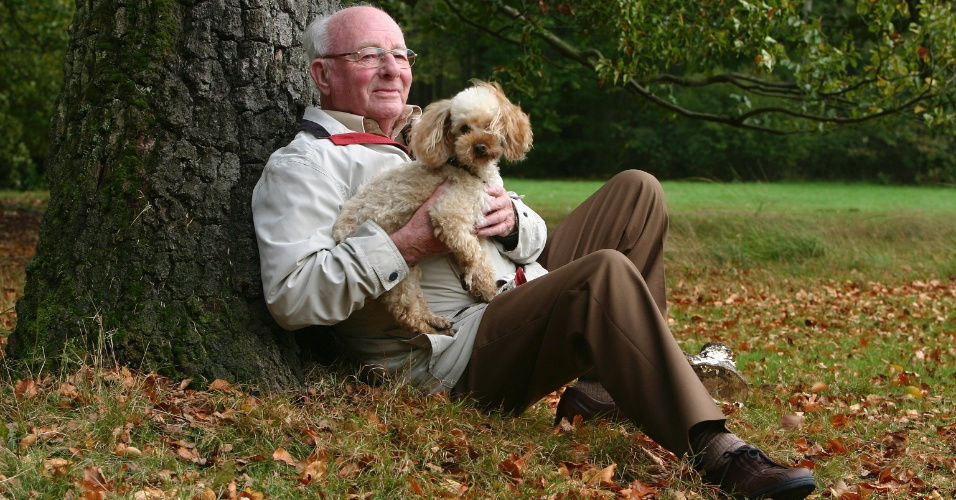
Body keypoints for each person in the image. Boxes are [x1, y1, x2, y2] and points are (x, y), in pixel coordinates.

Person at [251, 5, 816, 498]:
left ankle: (596, 391)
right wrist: (404, 244)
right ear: (322, 74)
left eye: (400, 53)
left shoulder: (434, 129)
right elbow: (291, 296)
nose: (392, 68)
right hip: (454, 351)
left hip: (514, 287)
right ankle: (714, 447)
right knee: (604, 275)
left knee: (636, 190)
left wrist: (516, 220)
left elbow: (517, 220)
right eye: (369, 54)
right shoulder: (307, 165)